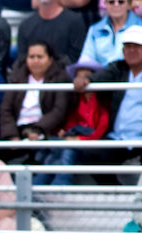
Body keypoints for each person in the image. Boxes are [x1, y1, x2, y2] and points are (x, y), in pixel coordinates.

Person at [75, 25, 142, 181]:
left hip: (139, 139)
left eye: (136, 47)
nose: (131, 51)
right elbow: (100, 76)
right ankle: (115, 191)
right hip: (118, 137)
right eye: (127, 47)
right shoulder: (119, 68)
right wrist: (87, 80)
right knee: (89, 154)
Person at [0, 42, 74, 163]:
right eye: (31, 57)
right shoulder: (17, 77)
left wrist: (38, 129)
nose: (35, 61)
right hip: (17, 130)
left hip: (45, 130)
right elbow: (5, 108)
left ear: (50, 59)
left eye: (40, 57)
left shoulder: (60, 78)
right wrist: (11, 135)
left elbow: (59, 110)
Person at [37, 58, 108, 186]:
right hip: (75, 136)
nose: (81, 81)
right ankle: (38, 186)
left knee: (68, 151)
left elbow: (100, 131)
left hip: (88, 140)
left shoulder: (103, 101)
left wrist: (78, 139)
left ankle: (60, 185)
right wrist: (65, 133)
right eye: (78, 77)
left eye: (86, 77)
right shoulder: (76, 99)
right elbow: (72, 121)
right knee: (53, 150)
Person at [16, 0, 86, 67]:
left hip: (64, 75)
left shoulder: (75, 22)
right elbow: (22, 59)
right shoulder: (26, 25)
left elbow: (75, 57)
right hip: (34, 75)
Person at [77, 0, 142, 67]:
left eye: (121, 2)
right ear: (106, 4)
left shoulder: (140, 26)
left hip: (131, 73)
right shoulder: (94, 29)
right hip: (101, 75)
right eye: (111, 2)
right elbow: (86, 60)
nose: (116, 5)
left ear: (129, 5)